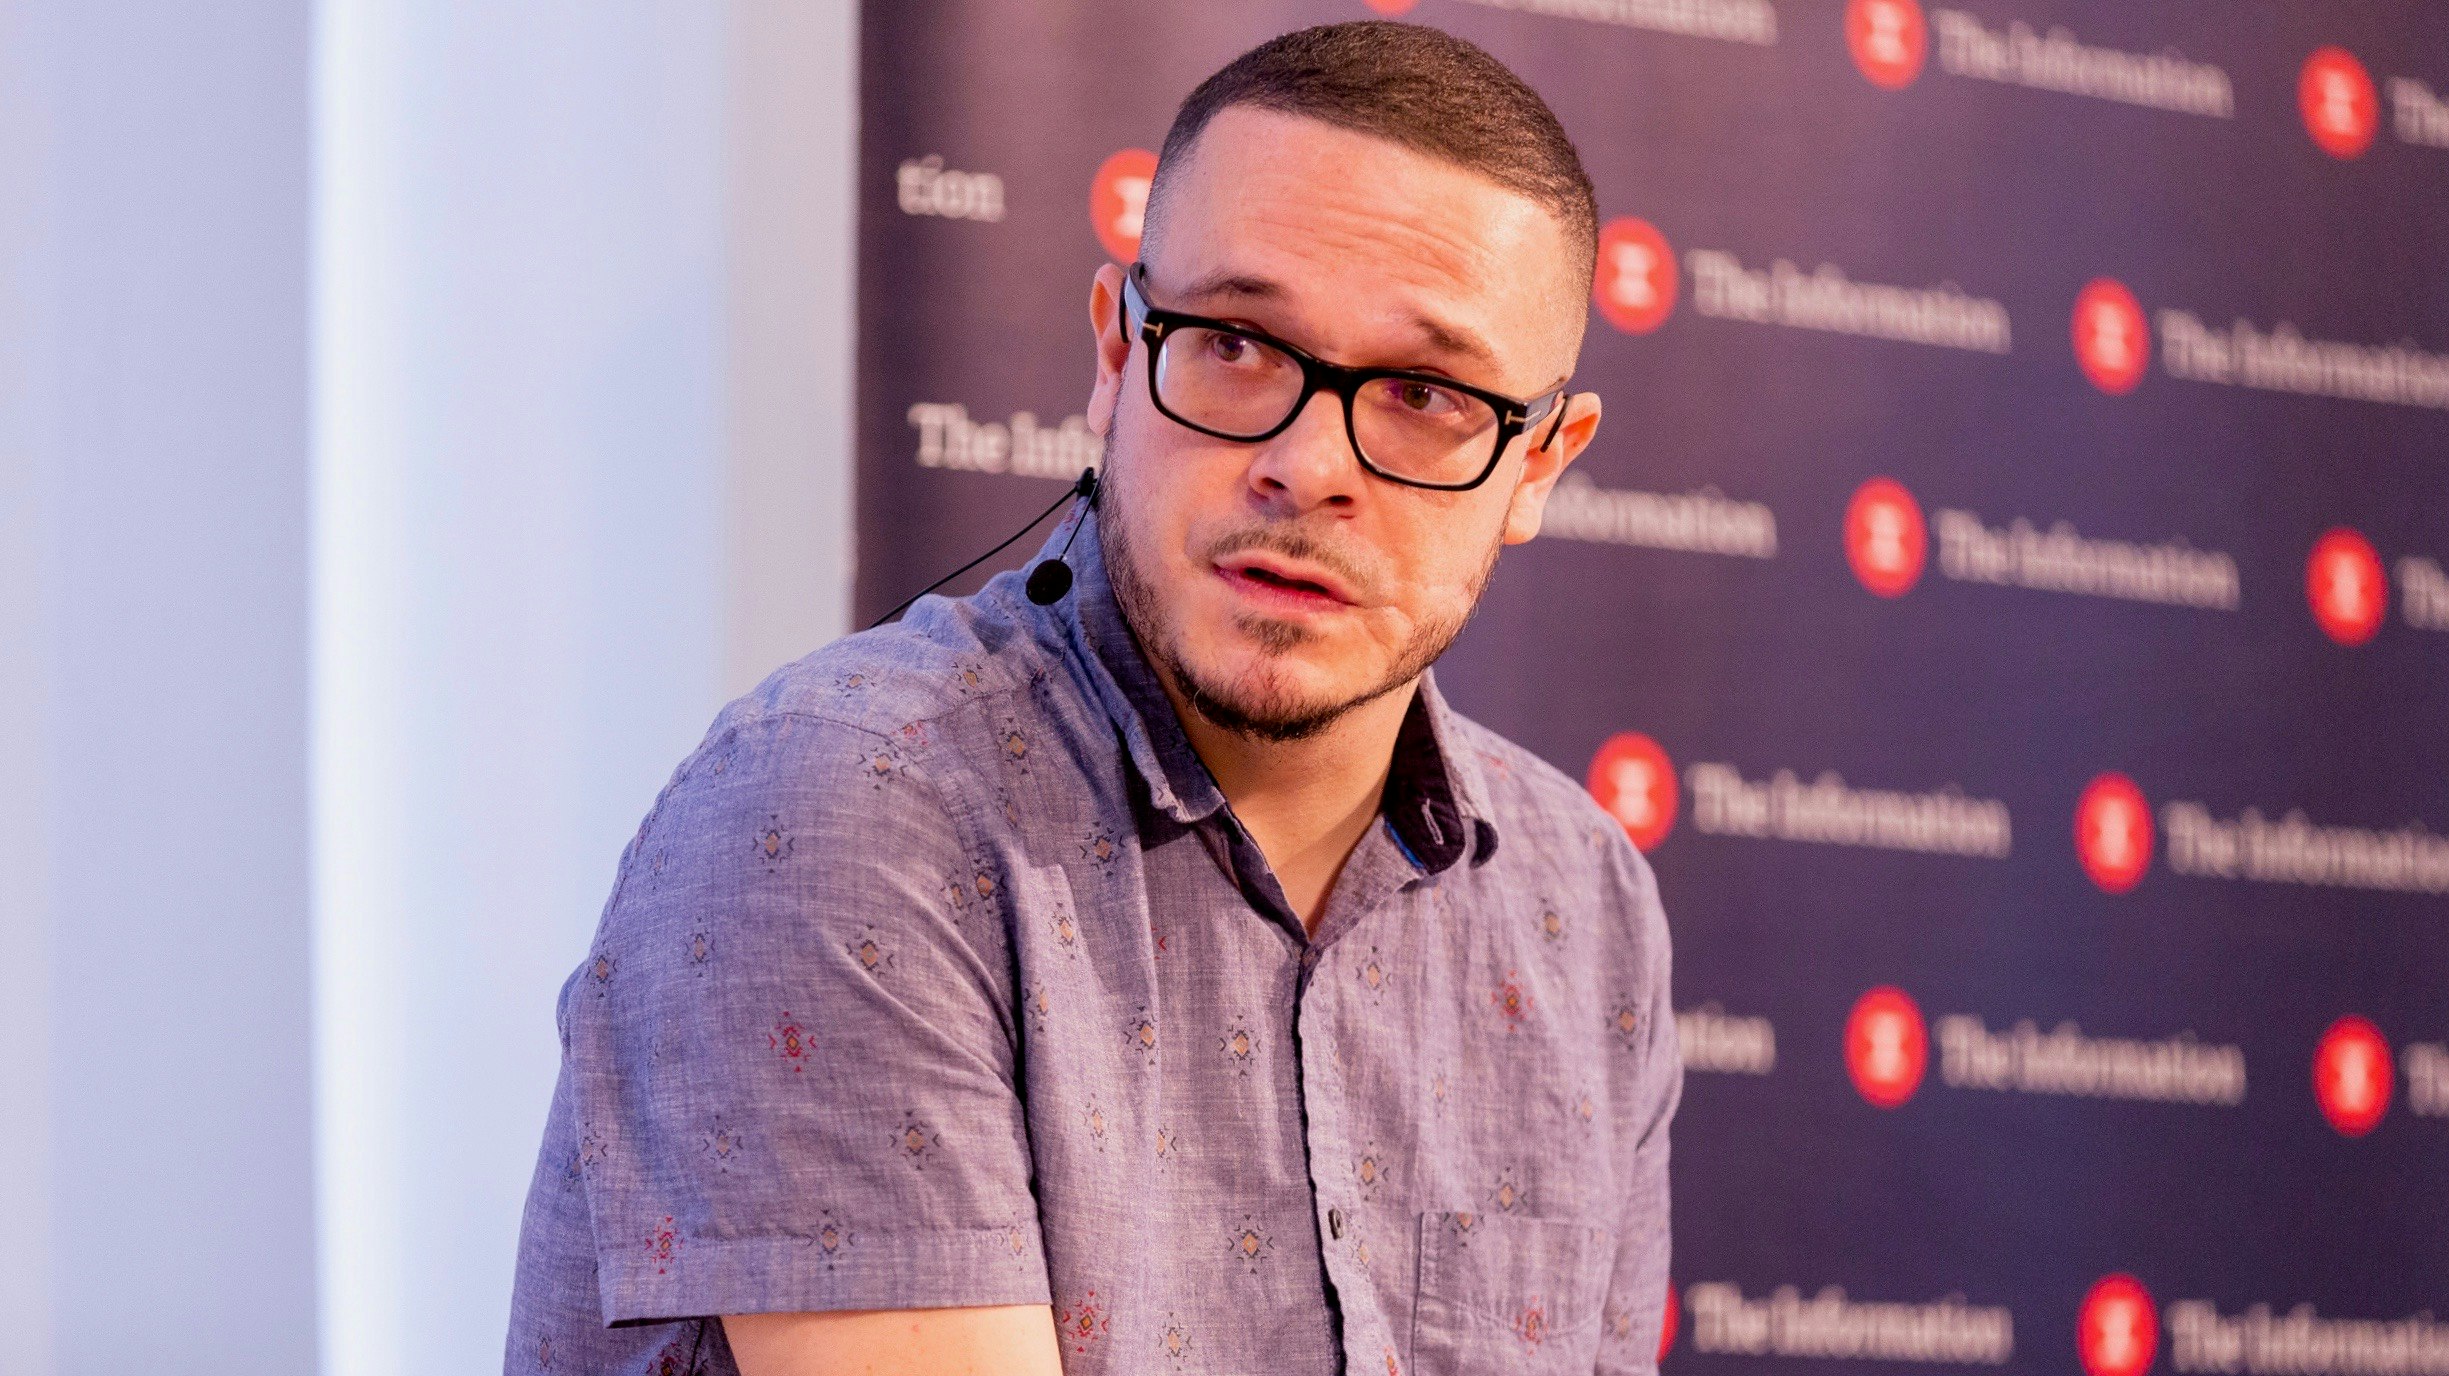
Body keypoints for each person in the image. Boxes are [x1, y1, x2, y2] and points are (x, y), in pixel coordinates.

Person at [507, 20, 1678, 1376]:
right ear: (1118, 355)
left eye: (1423, 392)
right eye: (1235, 341)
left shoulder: (1576, 900)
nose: (1305, 465)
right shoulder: (845, 806)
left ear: (1541, 462)